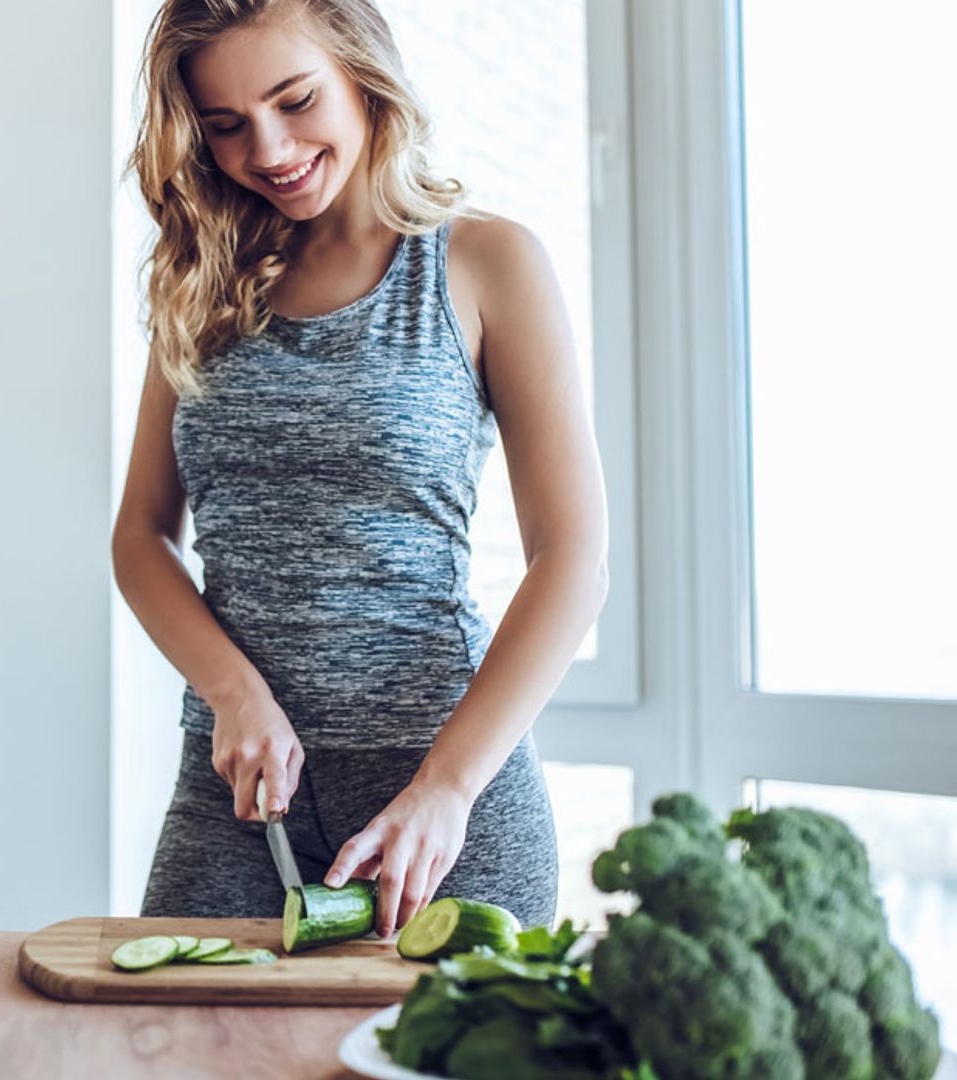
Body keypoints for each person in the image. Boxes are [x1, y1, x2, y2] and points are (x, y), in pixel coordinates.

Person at [114, 0, 608, 937]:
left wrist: (449, 788)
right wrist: (233, 691)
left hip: (440, 795)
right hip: (237, 799)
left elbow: (573, 558)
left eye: (295, 100)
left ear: (363, 74)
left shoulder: (485, 262)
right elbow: (140, 536)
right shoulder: (198, 283)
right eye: (225, 125)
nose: (267, 149)